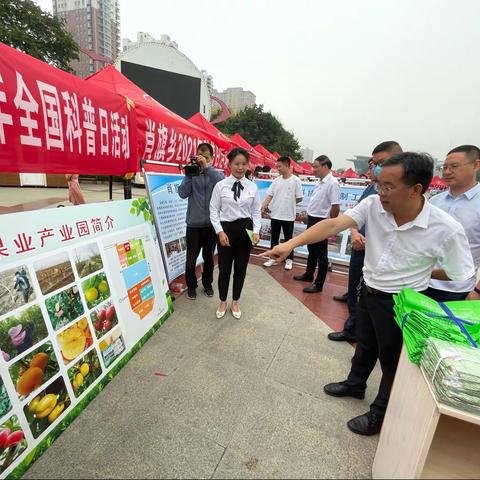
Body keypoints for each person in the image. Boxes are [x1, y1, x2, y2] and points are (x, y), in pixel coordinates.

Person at [264, 152, 474, 436]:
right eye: (379, 184)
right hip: (369, 290)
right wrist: (291, 243)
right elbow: (334, 224)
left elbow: (460, 273)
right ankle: (356, 383)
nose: (381, 192)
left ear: (416, 190)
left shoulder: (445, 229)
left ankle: (380, 413)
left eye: (389, 186)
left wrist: (423, 273)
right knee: (364, 343)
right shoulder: (374, 205)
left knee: (392, 361)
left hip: (402, 303)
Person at [329, 141, 403, 342]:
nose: (376, 167)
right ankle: (352, 328)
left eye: (381, 162)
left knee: (370, 299)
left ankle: (362, 335)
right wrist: (353, 232)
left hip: (378, 257)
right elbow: (355, 214)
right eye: (374, 163)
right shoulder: (372, 189)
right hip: (358, 248)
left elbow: (397, 234)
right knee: (354, 290)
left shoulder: (403, 194)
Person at [210, 147, 261, 319]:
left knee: (241, 268)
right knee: (224, 268)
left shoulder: (252, 187)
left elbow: (256, 212)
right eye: (237, 164)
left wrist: (256, 231)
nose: (240, 167)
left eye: (244, 164)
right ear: (229, 164)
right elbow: (213, 211)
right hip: (226, 229)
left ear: (248, 165)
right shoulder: (220, 186)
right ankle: (223, 300)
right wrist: (219, 231)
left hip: (245, 229)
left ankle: (235, 301)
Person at [425, 145, 480, 302]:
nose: (447, 172)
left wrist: (478, 291)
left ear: (476, 165)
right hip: (421, 284)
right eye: (445, 167)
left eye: (454, 166)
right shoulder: (434, 201)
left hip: (457, 291)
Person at [178, 143, 224, 300]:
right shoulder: (191, 172)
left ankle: (208, 284)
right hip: (193, 225)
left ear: (211, 158)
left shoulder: (214, 175)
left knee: (209, 258)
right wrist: (189, 175)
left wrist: (206, 168)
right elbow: (182, 194)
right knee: (190, 259)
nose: (202, 159)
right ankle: (191, 286)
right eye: (200, 155)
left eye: (205, 156)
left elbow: (222, 185)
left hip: (211, 225)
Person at [293, 155, 340, 293]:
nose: (313, 170)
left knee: (321, 253)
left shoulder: (332, 183)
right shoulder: (320, 182)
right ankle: (309, 274)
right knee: (311, 248)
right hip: (313, 218)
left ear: (325, 166)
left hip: (322, 220)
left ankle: (318, 284)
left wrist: (330, 225)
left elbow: (335, 206)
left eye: (316, 166)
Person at [262, 156, 303, 271]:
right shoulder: (276, 181)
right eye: (277, 166)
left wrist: (288, 203)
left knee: (289, 239)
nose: (278, 169)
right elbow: (269, 195)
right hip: (275, 214)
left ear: (287, 166)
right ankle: (272, 258)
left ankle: (289, 260)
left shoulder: (296, 180)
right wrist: (264, 205)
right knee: (274, 238)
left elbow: (299, 198)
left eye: (280, 166)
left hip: (288, 216)